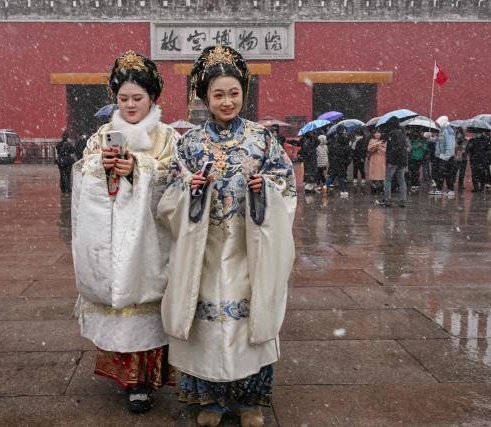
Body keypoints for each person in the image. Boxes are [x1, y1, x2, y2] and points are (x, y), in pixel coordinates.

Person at [158, 45, 296, 427]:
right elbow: (168, 198)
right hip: (203, 248)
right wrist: (191, 189)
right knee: (205, 326)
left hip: (247, 245)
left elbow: (286, 188)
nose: (227, 101)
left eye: (234, 92)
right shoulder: (189, 143)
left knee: (250, 322)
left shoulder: (263, 140)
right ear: (205, 97)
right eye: (218, 94)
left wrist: (262, 187)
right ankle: (210, 402)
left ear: (244, 93)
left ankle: (250, 401)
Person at [71, 51, 178, 413]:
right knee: (120, 309)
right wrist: (100, 168)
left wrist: (140, 167)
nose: (130, 105)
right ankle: (127, 376)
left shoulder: (166, 136)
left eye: (138, 98)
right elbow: (83, 174)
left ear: (153, 98)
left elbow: (175, 180)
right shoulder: (103, 135)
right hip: (112, 236)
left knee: (146, 309)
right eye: (123, 98)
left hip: (150, 240)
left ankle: (145, 382)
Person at [376, 116, 407, 207]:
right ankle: (402, 201)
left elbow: (393, 149)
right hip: (402, 161)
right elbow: (402, 148)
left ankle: (387, 200)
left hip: (393, 161)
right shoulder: (402, 133)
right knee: (401, 180)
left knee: (388, 180)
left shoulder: (392, 134)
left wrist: (390, 161)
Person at [430, 116, 456, 197]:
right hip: (441, 156)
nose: (437, 126)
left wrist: (446, 156)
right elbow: (439, 141)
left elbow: (450, 145)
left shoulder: (448, 131)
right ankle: (439, 189)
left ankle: (451, 190)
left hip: (446, 157)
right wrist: (431, 139)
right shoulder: (442, 130)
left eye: (438, 124)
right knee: (440, 173)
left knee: (447, 174)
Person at [328, 129, 353, 198]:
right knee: (341, 177)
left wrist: (332, 160)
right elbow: (349, 156)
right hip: (341, 163)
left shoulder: (334, 142)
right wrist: (346, 162)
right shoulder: (345, 144)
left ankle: (325, 187)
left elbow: (330, 152)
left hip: (334, 162)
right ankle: (343, 190)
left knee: (332, 176)